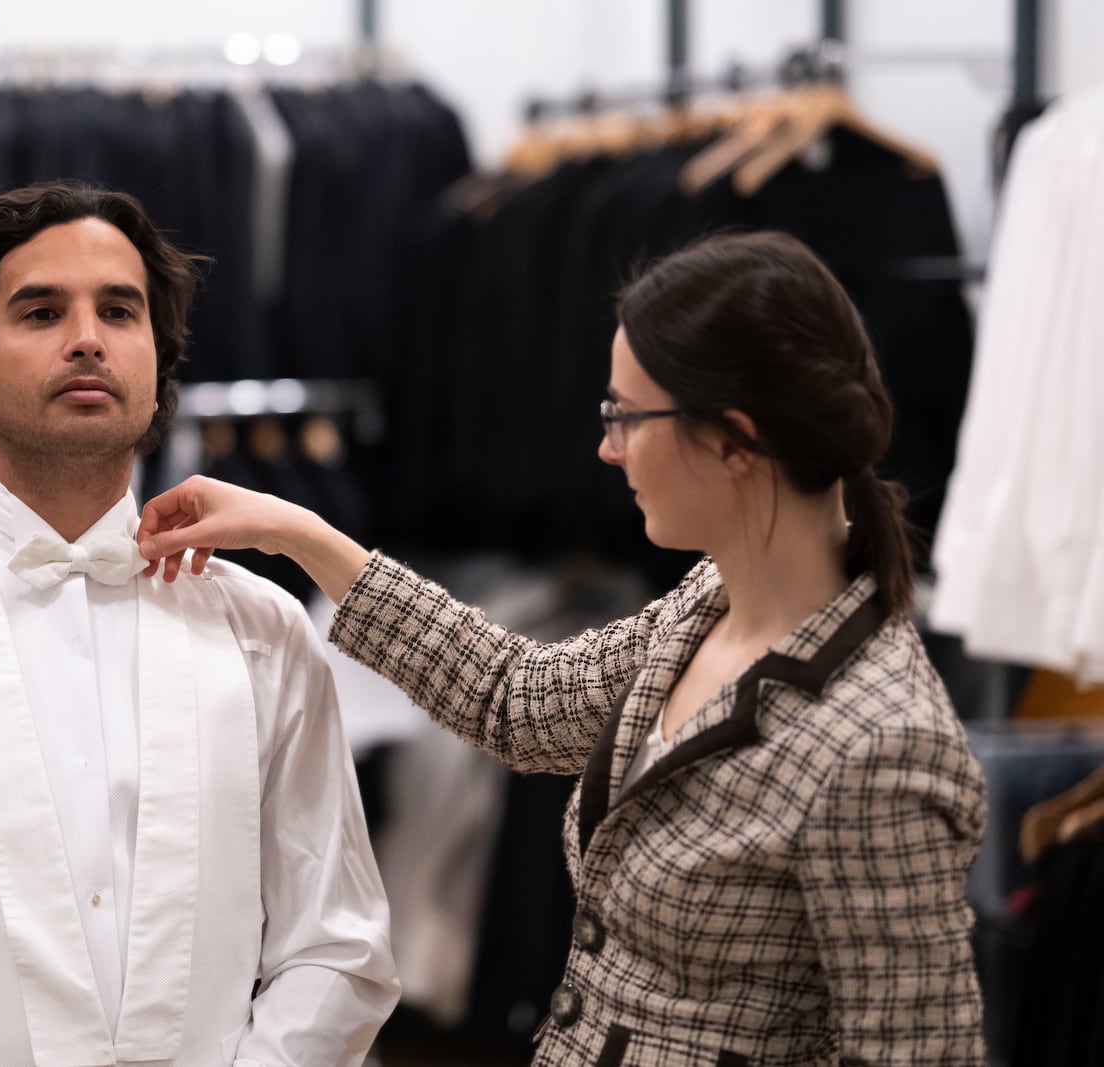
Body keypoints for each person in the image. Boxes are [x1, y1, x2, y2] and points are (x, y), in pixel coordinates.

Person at [137, 231, 989, 1065]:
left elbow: (920, 1049)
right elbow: (518, 697)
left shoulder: (881, 742)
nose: (605, 447)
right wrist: (300, 533)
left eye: (625, 414)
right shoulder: (708, 602)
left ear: (733, 438)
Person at [0, 180, 398, 1066]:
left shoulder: (266, 631)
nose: (87, 337)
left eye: (119, 312)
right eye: (42, 311)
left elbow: (338, 948)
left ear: (158, 368)